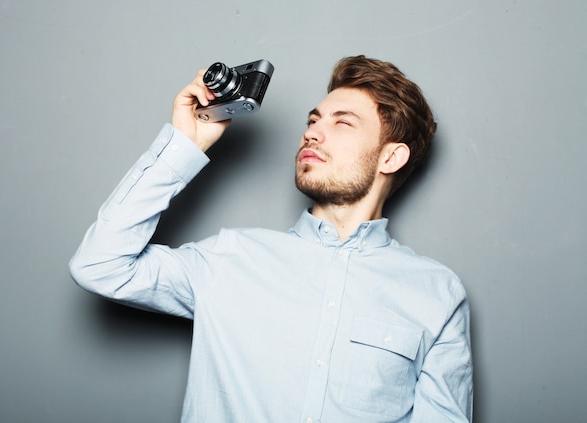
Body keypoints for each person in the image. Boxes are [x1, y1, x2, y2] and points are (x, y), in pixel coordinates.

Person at [69, 55, 473, 422]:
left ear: (391, 157)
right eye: (313, 120)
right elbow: (99, 266)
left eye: (342, 122)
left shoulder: (437, 293)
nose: (313, 134)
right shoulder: (229, 258)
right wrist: (183, 146)